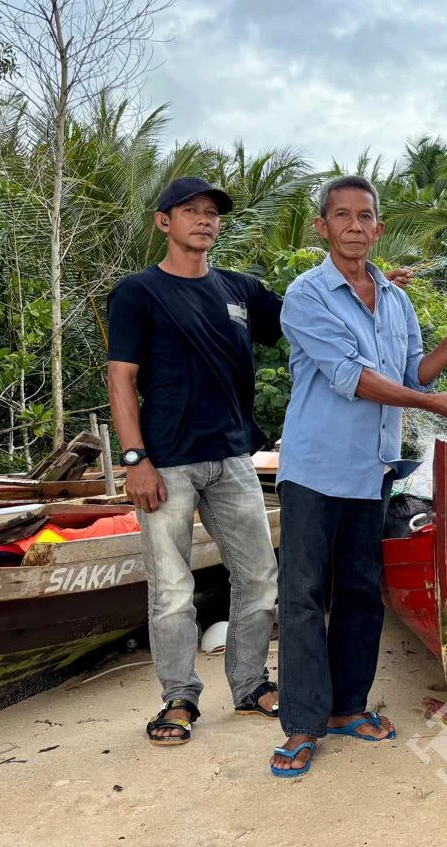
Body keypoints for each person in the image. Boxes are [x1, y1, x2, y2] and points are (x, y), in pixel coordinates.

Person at [268, 175, 447, 778]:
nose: (355, 226)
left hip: (372, 469)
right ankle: (302, 724)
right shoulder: (306, 296)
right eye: (342, 215)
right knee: (304, 596)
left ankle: (346, 708)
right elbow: (352, 377)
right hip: (315, 468)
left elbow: (412, 372)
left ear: (379, 228)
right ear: (323, 227)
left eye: (365, 215)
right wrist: (431, 405)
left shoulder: (395, 299)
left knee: (362, 592)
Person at [107, 177, 284, 746]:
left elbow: (306, 320)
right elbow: (121, 378)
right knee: (171, 588)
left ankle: (250, 685)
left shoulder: (241, 290)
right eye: (190, 211)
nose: (205, 219)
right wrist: (135, 458)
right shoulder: (138, 292)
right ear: (164, 221)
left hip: (233, 458)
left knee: (259, 577)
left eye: (212, 212)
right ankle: (179, 697)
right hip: (165, 464)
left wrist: (365, 286)